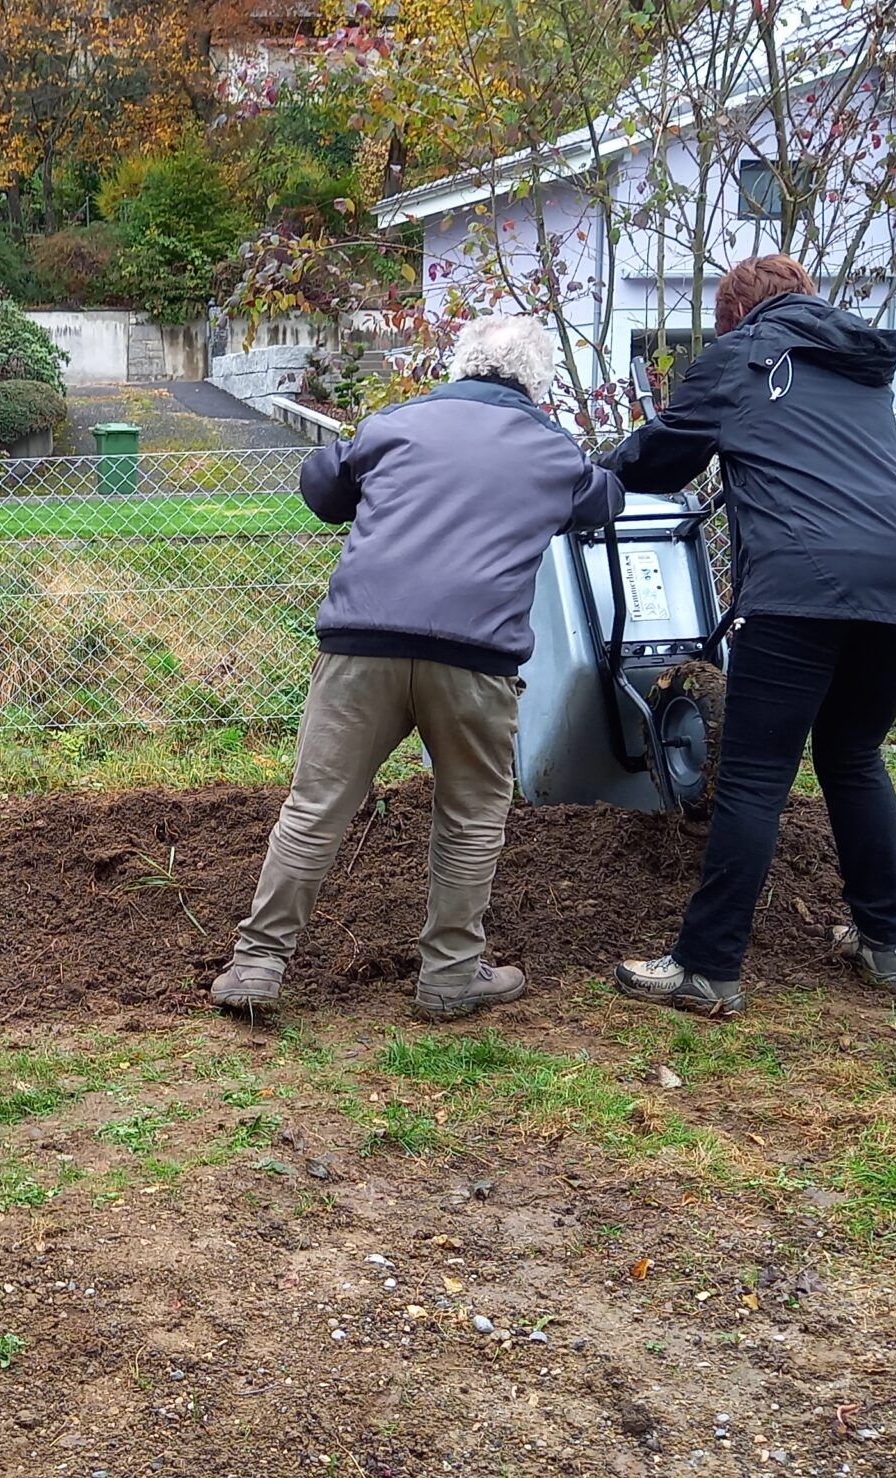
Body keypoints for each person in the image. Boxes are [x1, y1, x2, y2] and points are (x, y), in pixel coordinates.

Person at [211, 313, 623, 1021]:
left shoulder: (398, 421)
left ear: (457, 365)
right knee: (469, 818)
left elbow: (323, 489)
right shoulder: (550, 449)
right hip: (474, 660)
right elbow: (603, 502)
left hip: (360, 647)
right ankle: (451, 977)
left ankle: (256, 966)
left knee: (315, 808)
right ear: (539, 383)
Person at [608, 254, 896, 1018]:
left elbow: (663, 457)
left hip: (806, 581)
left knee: (758, 776)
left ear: (734, 316)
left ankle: (707, 968)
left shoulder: (742, 356)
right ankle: (887, 942)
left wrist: (590, 475)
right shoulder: (857, 364)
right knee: (852, 751)